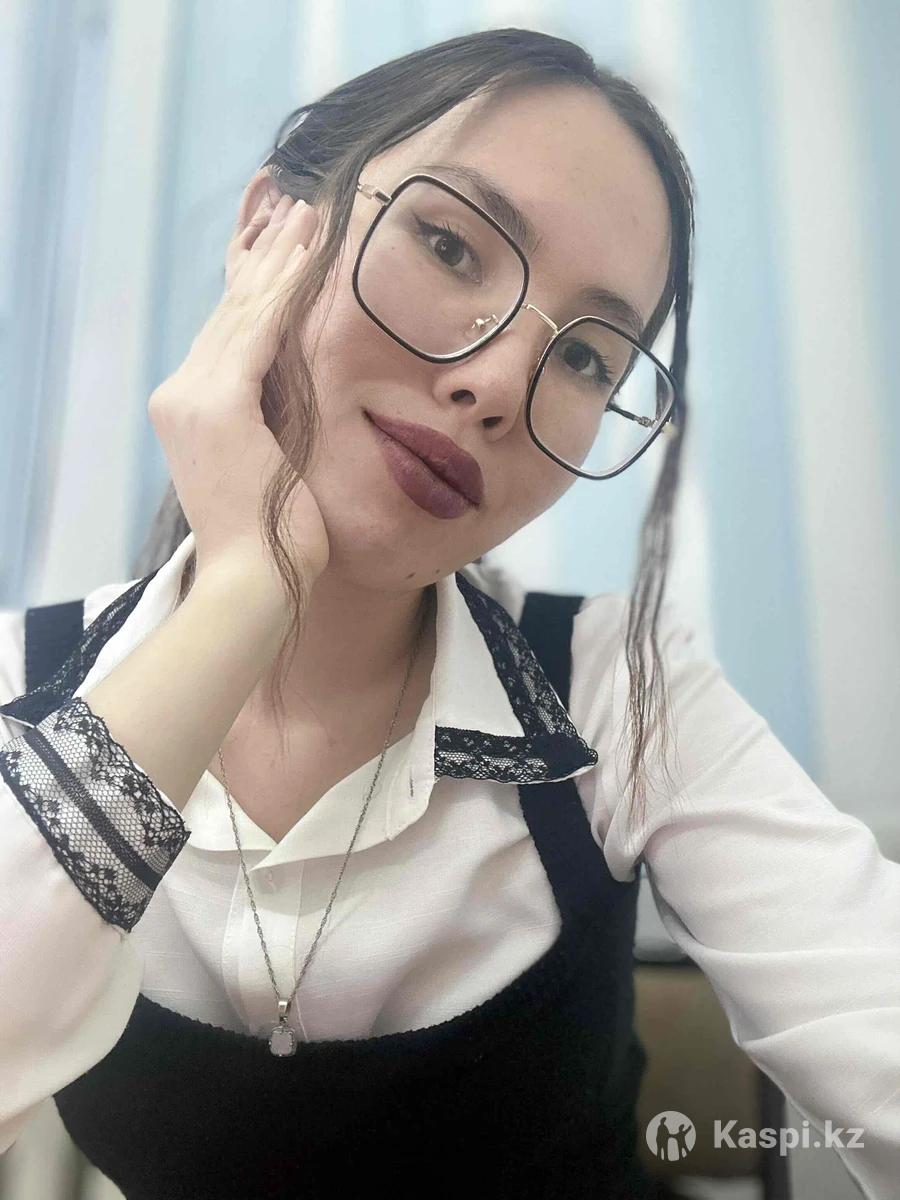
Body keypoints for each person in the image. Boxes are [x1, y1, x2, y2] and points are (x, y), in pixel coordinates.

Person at [0, 25, 896, 1200]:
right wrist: (243, 597)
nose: (500, 385)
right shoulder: (28, 683)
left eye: (589, 359)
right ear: (269, 231)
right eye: (448, 244)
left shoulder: (613, 693)